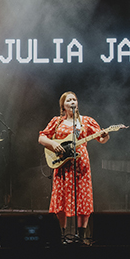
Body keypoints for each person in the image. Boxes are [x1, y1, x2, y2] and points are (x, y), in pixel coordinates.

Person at [38, 91, 109, 239]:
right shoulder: (57, 121)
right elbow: (42, 137)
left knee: (83, 199)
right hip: (62, 165)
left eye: (74, 100)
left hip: (81, 166)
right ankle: (61, 236)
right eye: (69, 100)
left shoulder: (86, 121)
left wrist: (105, 135)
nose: (72, 102)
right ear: (63, 106)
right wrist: (53, 144)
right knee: (61, 200)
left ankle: (81, 236)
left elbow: (101, 139)